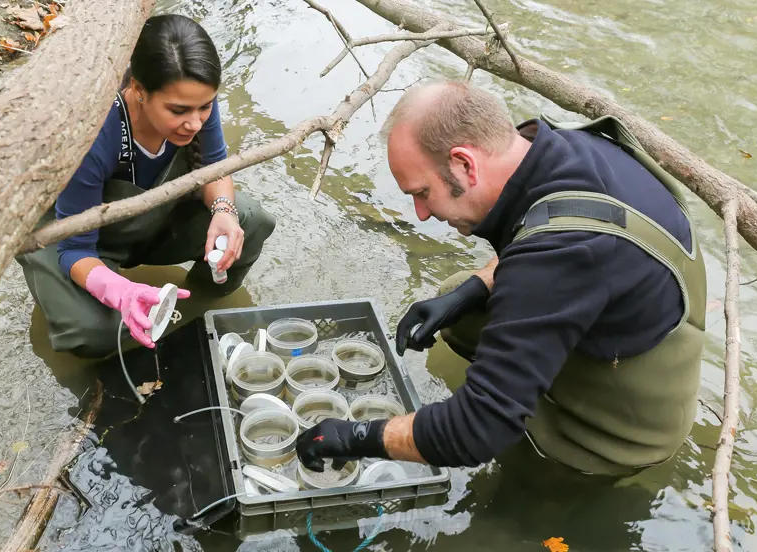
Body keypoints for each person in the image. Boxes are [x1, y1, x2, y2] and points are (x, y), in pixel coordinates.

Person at [296, 80, 707, 479]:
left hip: (630, 425)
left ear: (464, 163)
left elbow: (473, 431)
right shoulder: (551, 149)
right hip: (620, 316)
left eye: (421, 192)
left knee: (522, 454)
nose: (421, 213)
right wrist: (471, 290)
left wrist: (354, 435)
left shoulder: (561, 255)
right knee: (457, 295)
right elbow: (551, 241)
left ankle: (575, 459)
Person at [16, 14, 276, 358]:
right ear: (139, 90)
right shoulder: (91, 135)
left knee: (251, 220)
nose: (195, 122)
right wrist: (120, 292)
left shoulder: (194, 104)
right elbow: (74, 250)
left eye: (205, 107)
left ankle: (194, 311)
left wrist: (224, 211)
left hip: (151, 220)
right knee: (92, 332)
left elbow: (214, 167)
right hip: (74, 237)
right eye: (179, 110)